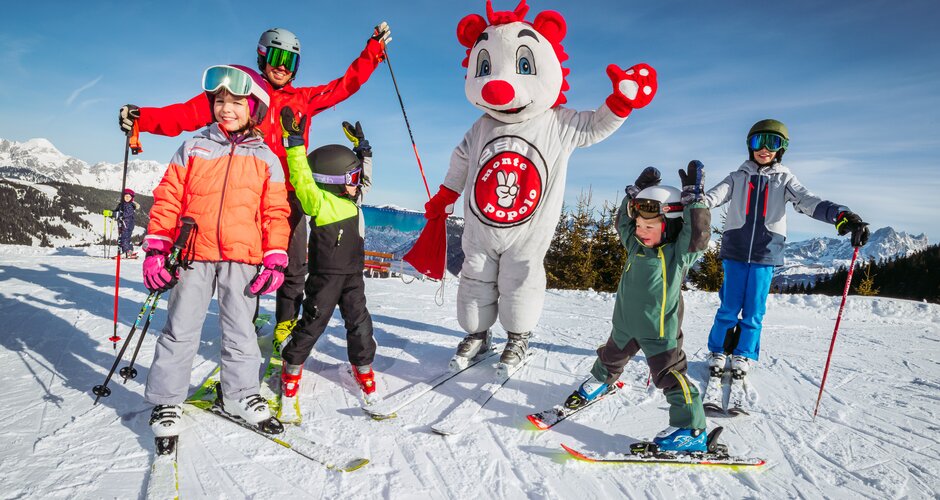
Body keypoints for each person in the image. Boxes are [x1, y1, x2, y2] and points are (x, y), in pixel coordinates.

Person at [117, 24, 392, 347]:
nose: (282, 66)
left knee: (291, 263)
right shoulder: (242, 94)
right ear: (262, 56)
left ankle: (285, 324)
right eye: (276, 56)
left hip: (287, 196)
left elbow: (346, 85)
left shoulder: (304, 99)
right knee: (246, 261)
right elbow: (188, 114)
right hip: (242, 193)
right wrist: (144, 119)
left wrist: (373, 51)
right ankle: (243, 319)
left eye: (290, 61)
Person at [144, 65, 291, 439]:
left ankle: (240, 395)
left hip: (242, 257)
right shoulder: (194, 146)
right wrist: (158, 246)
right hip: (194, 252)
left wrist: (275, 256)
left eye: (236, 102)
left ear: (255, 108)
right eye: (220, 100)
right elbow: (168, 196)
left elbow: (276, 211)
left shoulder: (267, 159)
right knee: (180, 327)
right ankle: (167, 399)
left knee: (241, 330)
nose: (226, 108)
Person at [700, 119, 870, 402]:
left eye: (773, 143)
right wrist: (693, 201)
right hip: (736, 250)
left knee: (754, 310)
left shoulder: (784, 180)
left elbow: (810, 201)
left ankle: (743, 355)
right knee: (728, 307)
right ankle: (718, 350)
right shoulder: (737, 177)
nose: (764, 149)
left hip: (767, 253)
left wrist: (842, 215)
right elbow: (711, 198)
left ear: (782, 149)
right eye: (758, 142)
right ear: (749, 146)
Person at [563, 163, 713, 453]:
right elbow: (622, 222)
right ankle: (600, 381)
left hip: (659, 334)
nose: (641, 231)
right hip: (625, 325)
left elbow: (697, 235)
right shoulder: (635, 246)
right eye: (640, 225)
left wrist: (695, 201)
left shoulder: (677, 255)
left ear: (670, 226)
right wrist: (634, 191)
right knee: (610, 358)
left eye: (650, 227)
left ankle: (690, 428)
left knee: (671, 378)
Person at [276, 108, 378, 398]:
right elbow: (302, 178)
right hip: (325, 278)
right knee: (313, 323)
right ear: (332, 178)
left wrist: (363, 150)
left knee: (360, 324)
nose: (358, 181)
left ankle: (363, 365)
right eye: (352, 175)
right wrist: (295, 144)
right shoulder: (318, 201)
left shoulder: (354, 198)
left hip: (353, 277)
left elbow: (365, 181)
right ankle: (292, 365)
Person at [113, 188, 139, 259]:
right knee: (125, 238)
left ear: (132, 198)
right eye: (126, 196)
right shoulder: (122, 204)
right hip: (123, 224)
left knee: (124, 238)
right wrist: (112, 213)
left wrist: (117, 214)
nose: (127, 198)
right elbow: (117, 211)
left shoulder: (129, 205)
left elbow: (126, 214)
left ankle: (126, 251)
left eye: (129, 197)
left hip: (127, 225)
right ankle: (129, 251)